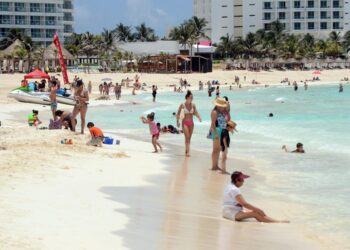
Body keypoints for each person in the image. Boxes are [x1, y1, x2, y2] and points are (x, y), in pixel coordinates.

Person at [223, 171, 289, 223]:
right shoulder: (235, 189)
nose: (244, 182)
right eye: (243, 180)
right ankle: (277, 222)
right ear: (237, 180)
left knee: (252, 210)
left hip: (227, 211)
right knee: (256, 213)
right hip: (232, 213)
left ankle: (272, 220)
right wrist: (258, 209)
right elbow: (244, 204)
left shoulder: (229, 186)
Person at [176, 90, 202, 157]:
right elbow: (178, 113)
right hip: (184, 122)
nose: (192, 99)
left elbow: (195, 112)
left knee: (189, 138)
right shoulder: (182, 105)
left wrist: (199, 117)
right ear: (187, 98)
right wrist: (178, 121)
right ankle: (188, 152)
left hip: (191, 123)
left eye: (192, 97)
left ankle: (186, 149)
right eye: (191, 97)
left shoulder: (193, 105)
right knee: (187, 137)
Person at [211, 98, 228, 171]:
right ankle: (214, 166)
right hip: (217, 130)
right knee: (215, 149)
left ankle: (216, 165)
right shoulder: (215, 112)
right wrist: (216, 134)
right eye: (222, 106)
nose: (223, 107)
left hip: (221, 131)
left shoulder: (221, 112)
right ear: (218, 106)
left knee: (218, 149)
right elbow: (213, 123)